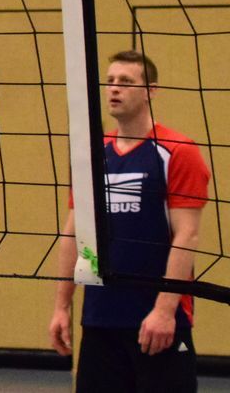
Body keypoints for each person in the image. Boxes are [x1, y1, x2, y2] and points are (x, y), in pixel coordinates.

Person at [49, 49, 210, 393]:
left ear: (151, 90)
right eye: (109, 82)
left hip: (158, 321)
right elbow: (72, 233)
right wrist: (62, 306)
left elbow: (187, 235)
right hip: (100, 319)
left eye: (125, 82)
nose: (114, 89)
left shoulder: (178, 151)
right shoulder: (91, 156)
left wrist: (165, 310)